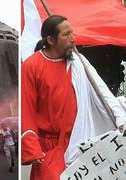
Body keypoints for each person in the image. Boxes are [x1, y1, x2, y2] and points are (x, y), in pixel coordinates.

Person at [21, 15, 126, 180]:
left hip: (81, 142)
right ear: (50, 39)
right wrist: (31, 147)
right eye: (66, 34)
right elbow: (26, 110)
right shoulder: (31, 66)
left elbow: (102, 91)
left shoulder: (78, 60)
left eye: (72, 33)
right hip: (49, 149)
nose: (73, 39)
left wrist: (121, 120)